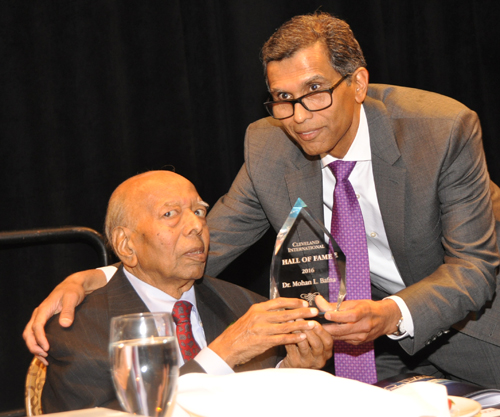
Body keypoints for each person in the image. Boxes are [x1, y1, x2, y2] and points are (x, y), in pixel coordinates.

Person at [25, 12, 500, 387]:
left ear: (357, 84)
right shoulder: (269, 146)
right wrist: (100, 276)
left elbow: (474, 269)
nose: (297, 117)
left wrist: (391, 314)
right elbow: (204, 245)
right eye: (281, 97)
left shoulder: (440, 131)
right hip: (361, 356)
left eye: (314, 91)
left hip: (474, 328)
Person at [41, 171, 332, 413]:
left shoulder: (246, 305)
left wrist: (291, 371)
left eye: (199, 212)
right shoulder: (79, 331)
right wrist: (220, 356)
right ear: (126, 245)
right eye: (170, 214)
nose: (197, 226)